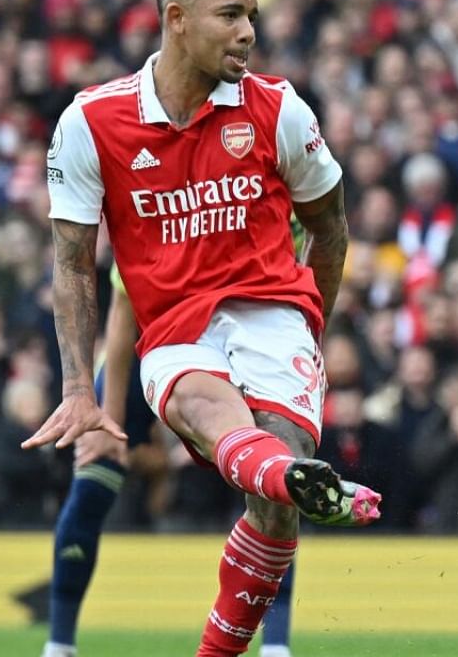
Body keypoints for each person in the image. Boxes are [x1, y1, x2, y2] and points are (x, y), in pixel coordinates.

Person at [24, 0, 380, 657]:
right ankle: (60, 643)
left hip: (275, 315)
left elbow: (331, 229)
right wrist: (79, 390)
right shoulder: (93, 122)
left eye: (252, 14)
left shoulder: (279, 110)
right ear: (176, 20)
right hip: (173, 329)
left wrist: (310, 333)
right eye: (231, 15)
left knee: (275, 511)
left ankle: (282, 497)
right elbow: (73, 265)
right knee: (202, 408)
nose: (249, 30)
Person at [43, 265, 296, 657]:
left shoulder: (276, 215)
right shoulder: (150, 212)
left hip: (235, 350)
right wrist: (109, 413)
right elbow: (123, 312)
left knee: (271, 485)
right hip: (146, 351)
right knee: (92, 479)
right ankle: (59, 645)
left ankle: (276, 646)